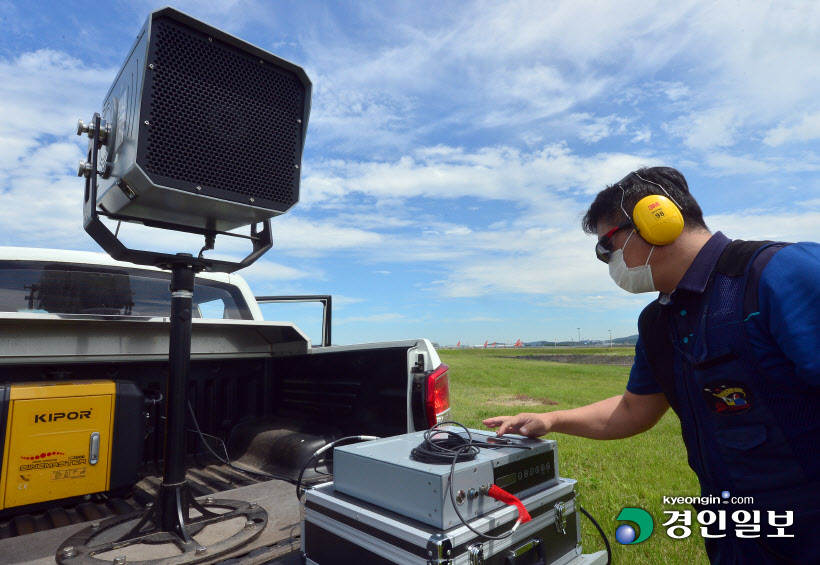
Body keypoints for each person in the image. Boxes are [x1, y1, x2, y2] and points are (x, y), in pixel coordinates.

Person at [483, 167, 820, 564]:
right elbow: (632, 410)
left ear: (655, 219)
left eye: (606, 246)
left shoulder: (783, 273)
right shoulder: (659, 320)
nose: (606, 261)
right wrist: (552, 419)